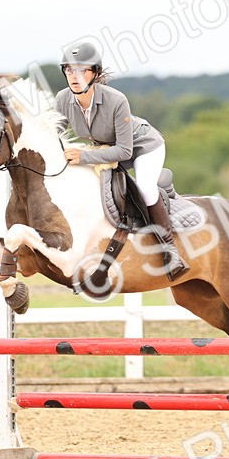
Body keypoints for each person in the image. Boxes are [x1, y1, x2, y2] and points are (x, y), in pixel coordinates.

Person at [53, 41, 189, 280]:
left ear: (95, 73)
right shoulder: (63, 100)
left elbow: (125, 152)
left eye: (82, 70)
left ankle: (170, 249)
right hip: (107, 151)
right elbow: (56, 137)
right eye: (69, 70)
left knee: (145, 187)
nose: (74, 76)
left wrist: (84, 156)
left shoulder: (116, 100)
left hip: (143, 147)